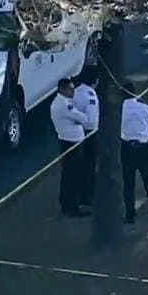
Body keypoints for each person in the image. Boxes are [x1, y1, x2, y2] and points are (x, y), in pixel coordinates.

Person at [120, 81, 148, 224]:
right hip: (144, 147)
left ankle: (129, 214)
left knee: (128, 182)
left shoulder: (118, 109)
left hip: (126, 147)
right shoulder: (144, 108)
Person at [50, 78, 89, 218]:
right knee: (72, 176)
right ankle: (72, 207)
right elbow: (83, 118)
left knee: (68, 175)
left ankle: (66, 203)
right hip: (72, 143)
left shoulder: (60, 103)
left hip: (68, 141)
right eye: (70, 89)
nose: (73, 92)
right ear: (62, 89)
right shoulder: (65, 105)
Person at [72, 67, 99, 206]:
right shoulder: (90, 94)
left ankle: (77, 195)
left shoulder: (74, 93)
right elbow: (91, 120)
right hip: (89, 135)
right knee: (89, 166)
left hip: (74, 133)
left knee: (77, 166)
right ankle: (87, 196)